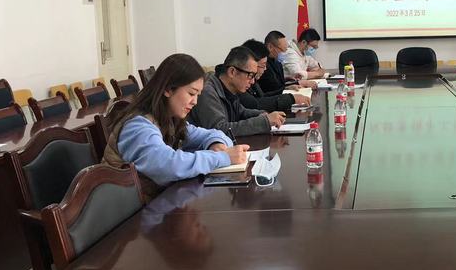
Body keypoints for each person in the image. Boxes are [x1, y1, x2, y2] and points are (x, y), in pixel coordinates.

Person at [102, 53, 248, 199]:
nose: (195, 102)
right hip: (129, 209)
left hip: (154, 202)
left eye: (198, 95)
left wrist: (216, 144)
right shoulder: (137, 126)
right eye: (191, 93)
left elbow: (214, 134)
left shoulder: (170, 119)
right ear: (168, 89)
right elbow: (169, 166)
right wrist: (222, 157)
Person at [188, 46, 286, 138]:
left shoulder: (229, 88)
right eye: (250, 75)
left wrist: (263, 114)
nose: (252, 81)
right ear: (232, 72)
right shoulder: (206, 91)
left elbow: (241, 112)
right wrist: (264, 122)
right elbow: (219, 129)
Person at [238, 39, 311, 112]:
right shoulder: (239, 85)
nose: (265, 69)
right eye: (263, 65)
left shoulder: (252, 79)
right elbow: (256, 104)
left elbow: (262, 97)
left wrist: (286, 91)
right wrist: (290, 99)